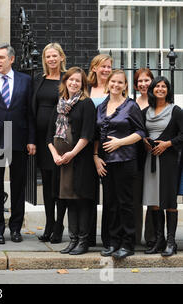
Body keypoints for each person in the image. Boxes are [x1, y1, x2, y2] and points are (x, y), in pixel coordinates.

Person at [0, 43, 36, 245]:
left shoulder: (26, 81)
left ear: (11, 59)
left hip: (19, 140)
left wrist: (31, 140)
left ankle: (16, 228)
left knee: (19, 186)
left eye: (1, 57)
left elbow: (30, 113)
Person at [94, 70, 146, 259]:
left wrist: (119, 142)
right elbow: (96, 135)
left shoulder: (131, 106)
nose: (115, 85)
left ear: (125, 86)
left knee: (126, 203)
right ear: (108, 84)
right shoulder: (101, 107)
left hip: (125, 160)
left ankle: (128, 243)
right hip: (106, 163)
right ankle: (113, 242)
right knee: (110, 203)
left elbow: (140, 132)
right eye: (113, 82)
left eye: (120, 83)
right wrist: (95, 156)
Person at [47, 67, 97, 255]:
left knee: (81, 201)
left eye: (78, 81)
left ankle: (83, 241)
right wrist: (55, 155)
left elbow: (87, 134)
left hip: (80, 161)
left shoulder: (86, 104)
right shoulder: (59, 105)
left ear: (83, 84)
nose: (74, 83)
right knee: (68, 201)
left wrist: (71, 154)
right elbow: (48, 136)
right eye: (71, 80)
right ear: (65, 82)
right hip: (61, 163)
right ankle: (73, 239)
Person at [142, 76, 183, 257]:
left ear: (168, 90)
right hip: (150, 160)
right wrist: (145, 141)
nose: (160, 89)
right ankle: (159, 240)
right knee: (154, 201)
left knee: (169, 200)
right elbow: (140, 132)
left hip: (169, 161)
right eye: (157, 86)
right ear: (152, 89)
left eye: (164, 86)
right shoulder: (146, 111)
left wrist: (167, 144)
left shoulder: (176, 111)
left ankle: (171, 242)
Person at [31, 42, 67, 243]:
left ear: (61, 57)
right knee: (46, 184)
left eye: (55, 56)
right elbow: (31, 109)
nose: (51, 59)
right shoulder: (38, 80)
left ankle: (59, 225)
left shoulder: (67, 79)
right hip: (42, 140)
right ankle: (49, 223)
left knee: (59, 183)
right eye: (48, 57)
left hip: (60, 139)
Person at [87, 54, 113, 248]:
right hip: (85, 146)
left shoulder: (114, 89)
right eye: (102, 66)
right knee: (88, 194)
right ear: (94, 68)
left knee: (110, 195)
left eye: (109, 67)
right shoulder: (86, 89)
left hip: (108, 146)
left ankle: (108, 237)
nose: (106, 70)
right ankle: (87, 236)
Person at [133, 68, 155, 247]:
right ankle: (134, 237)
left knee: (152, 197)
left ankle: (151, 237)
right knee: (135, 196)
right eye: (140, 81)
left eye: (146, 80)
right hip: (134, 154)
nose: (143, 84)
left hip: (153, 154)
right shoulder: (132, 104)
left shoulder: (159, 104)